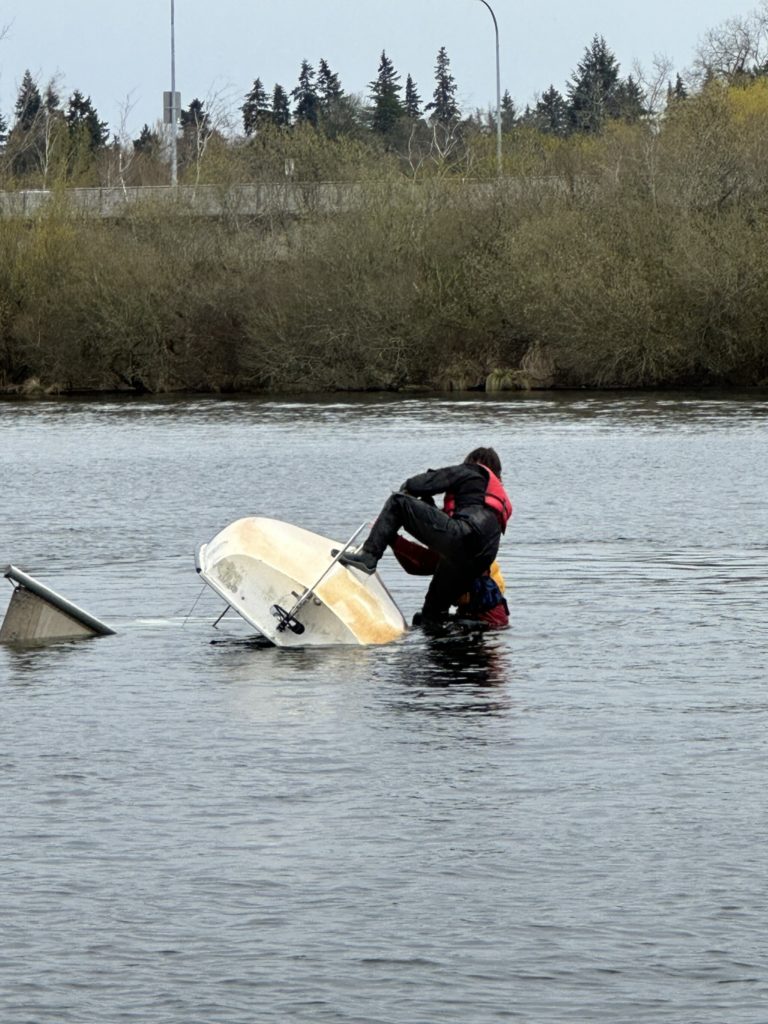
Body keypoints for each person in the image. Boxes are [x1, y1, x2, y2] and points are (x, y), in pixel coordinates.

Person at [339, 447, 512, 623]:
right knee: (428, 618)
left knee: (397, 502)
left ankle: (368, 555)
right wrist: (394, 534)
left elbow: (423, 483)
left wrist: (407, 493)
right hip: (477, 566)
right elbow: (432, 549)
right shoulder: (487, 520)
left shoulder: (474, 471)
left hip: (488, 615)